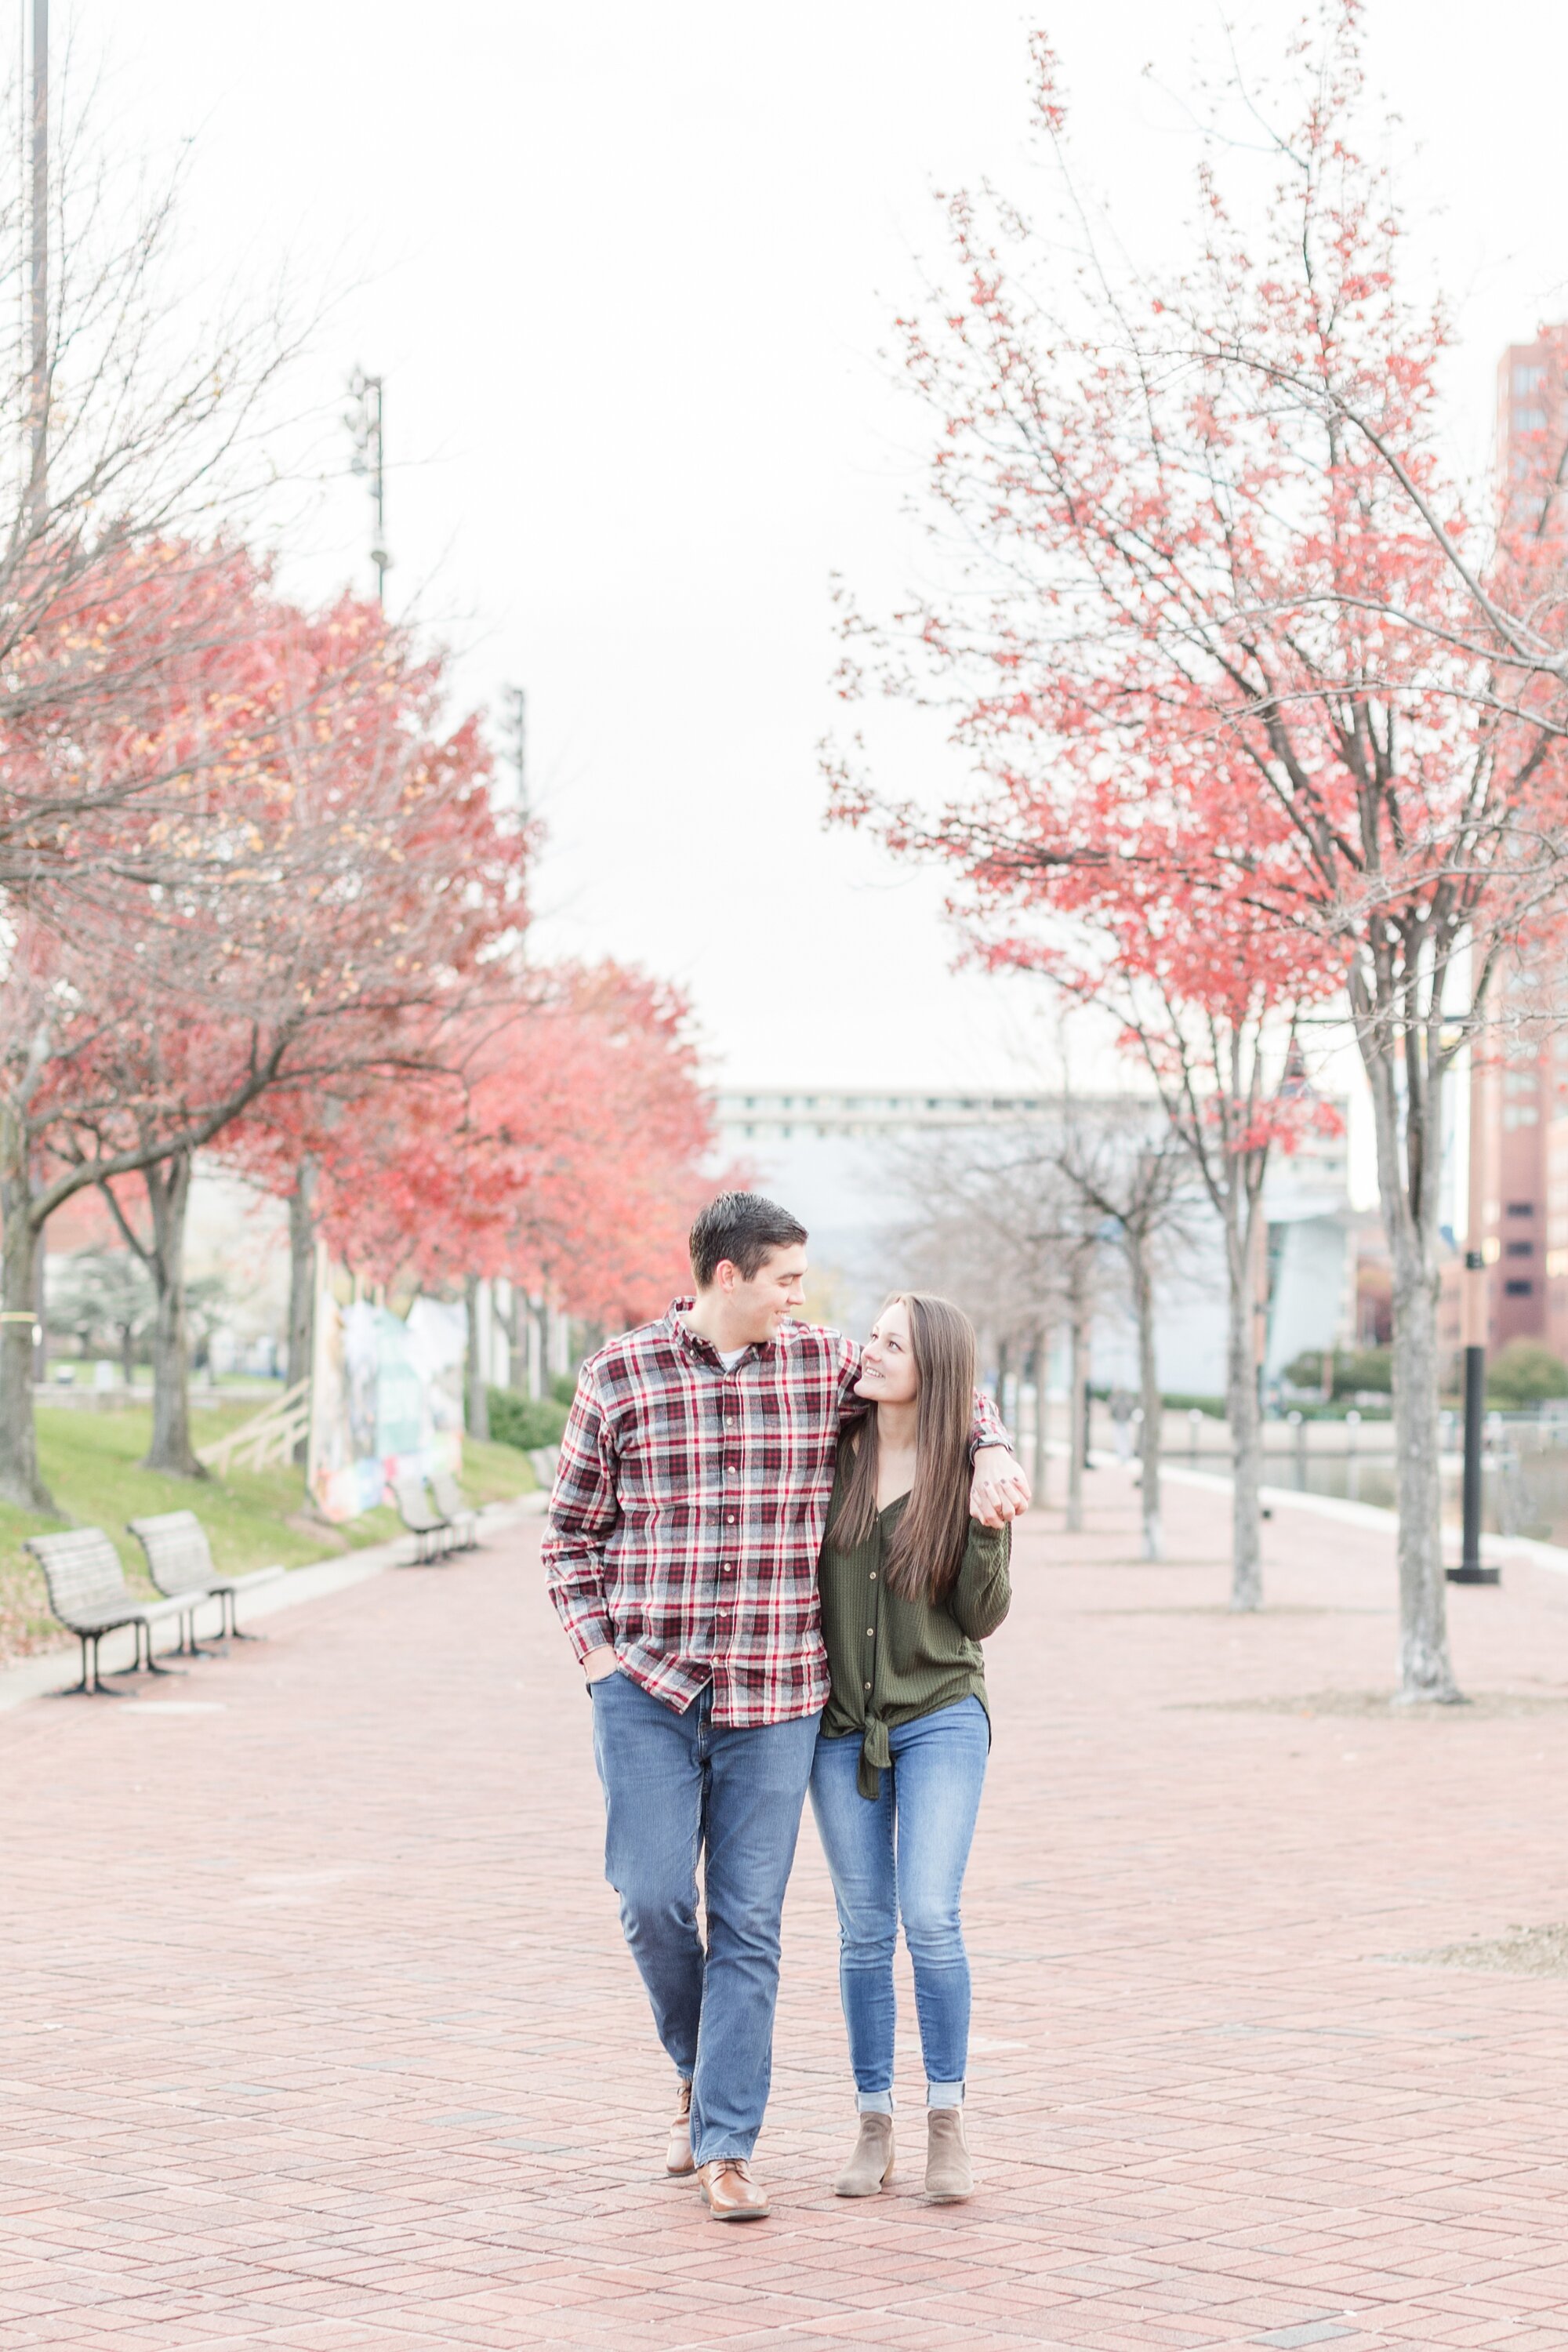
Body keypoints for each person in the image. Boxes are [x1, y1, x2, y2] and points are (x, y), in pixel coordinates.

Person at [543, 1194, 1029, 2223]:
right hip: (649, 1690)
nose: (803, 1301)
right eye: (787, 1281)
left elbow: (937, 1380)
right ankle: (695, 2068)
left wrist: (990, 1446)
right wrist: (598, 1660)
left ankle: (727, 2145)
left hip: (776, 1701)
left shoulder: (819, 1366)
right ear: (730, 1277)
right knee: (651, 1899)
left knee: (751, 1925)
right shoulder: (619, 1376)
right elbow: (570, 1537)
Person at [810, 1291, 1011, 2205]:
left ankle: (945, 2122)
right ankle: (871, 2121)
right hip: (841, 1725)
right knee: (861, 1930)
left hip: (938, 1711)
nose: (872, 1351)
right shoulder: (832, 1448)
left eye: (893, 1343)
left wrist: (983, 1525)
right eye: (873, 1335)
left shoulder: (962, 1471)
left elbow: (980, 1619)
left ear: (930, 1372)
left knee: (928, 1916)